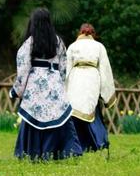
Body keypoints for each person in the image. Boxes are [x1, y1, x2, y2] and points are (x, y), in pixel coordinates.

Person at [9, 8, 83, 160]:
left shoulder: (29, 44)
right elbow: (64, 68)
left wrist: (16, 91)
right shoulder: (58, 41)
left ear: (33, 23)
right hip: (54, 85)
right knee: (58, 117)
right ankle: (61, 152)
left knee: (33, 118)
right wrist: (61, 86)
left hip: (35, 86)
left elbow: (23, 70)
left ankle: (32, 153)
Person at [65, 23, 115, 152]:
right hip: (92, 78)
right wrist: (106, 94)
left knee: (75, 110)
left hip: (75, 78)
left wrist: (64, 90)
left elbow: (66, 69)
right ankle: (98, 143)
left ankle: (75, 145)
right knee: (91, 108)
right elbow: (105, 70)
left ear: (80, 33)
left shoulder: (72, 47)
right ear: (93, 34)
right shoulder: (99, 47)